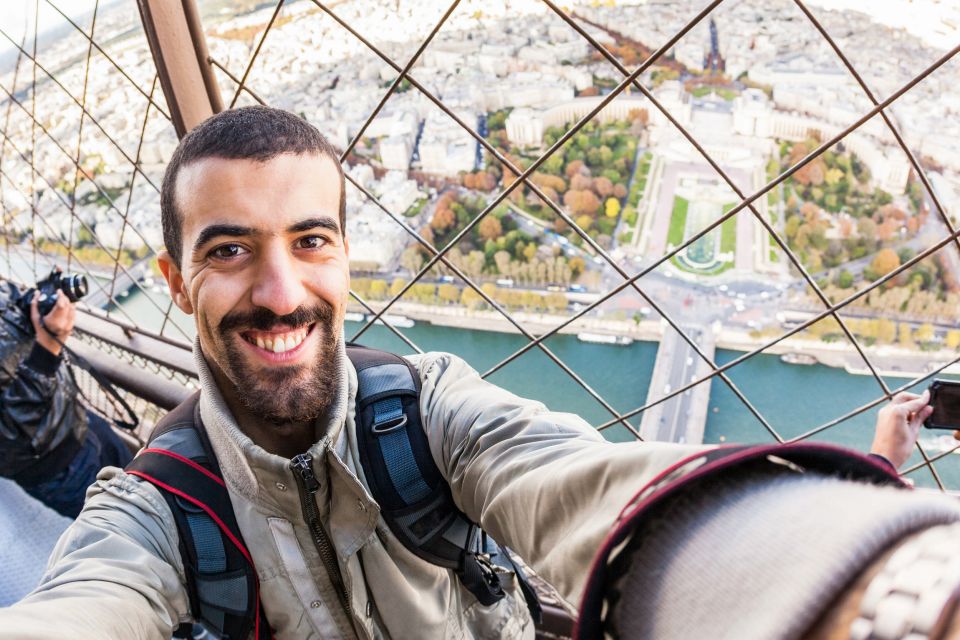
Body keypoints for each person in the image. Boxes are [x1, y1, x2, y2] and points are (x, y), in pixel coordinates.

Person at [0, 106, 956, 639]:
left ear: (345, 259)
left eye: (311, 241)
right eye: (229, 252)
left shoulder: (431, 411)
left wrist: (886, 581)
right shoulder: (149, 505)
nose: (281, 291)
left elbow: (585, 488)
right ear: (174, 281)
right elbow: (88, 604)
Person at [0, 280, 132, 518]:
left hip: (78, 418)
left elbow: (11, 307)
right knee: (123, 523)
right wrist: (47, 351)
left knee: (145, 481)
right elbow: (7, 438)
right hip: (56, 467)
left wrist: (40, 297)